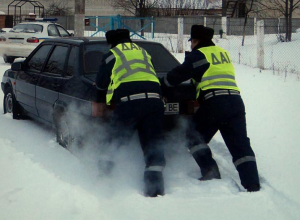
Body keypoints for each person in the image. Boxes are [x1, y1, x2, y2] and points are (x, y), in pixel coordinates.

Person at [160, 25, 260, 192]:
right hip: (235, 102)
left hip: (215, 102)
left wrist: (164, 84)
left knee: (193, 136)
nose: (190, 45)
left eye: (191, 41)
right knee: (240, 145)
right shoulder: (222, 53)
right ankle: (253, 184)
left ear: (196, 41)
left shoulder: (199, 55)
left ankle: (210, 171)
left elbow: (180, 74)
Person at [95, 29, 166, 197]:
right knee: (153, 145)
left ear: (111, 43)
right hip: (155, 101)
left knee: (114, 142)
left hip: (130, 103)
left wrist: (100, 102)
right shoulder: (143, 52)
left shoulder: (112, 54)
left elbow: (101, 83)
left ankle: (102, 182)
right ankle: (154, 191)